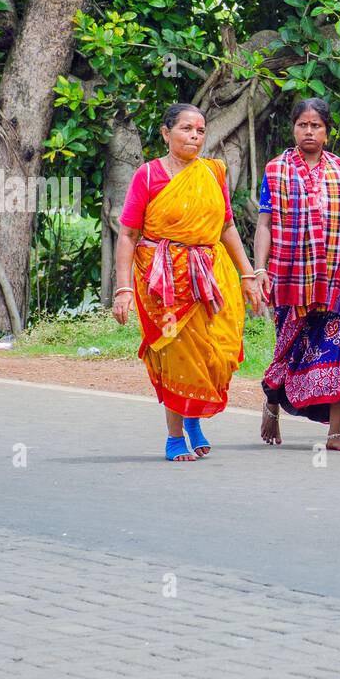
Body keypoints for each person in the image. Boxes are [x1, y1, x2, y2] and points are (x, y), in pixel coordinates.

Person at [112, 102, 260, 462]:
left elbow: (226, 226)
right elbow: (128, 234)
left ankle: (194, 417)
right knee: (175, 356)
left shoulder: (212, 174)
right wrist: (123, 288)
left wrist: (248, 274)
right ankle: (175, 436)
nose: (194, 136)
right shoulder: (148, 176)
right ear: (166, 133)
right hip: (161, 281)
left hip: (210, 275)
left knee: (216, 354)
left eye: (200, 130)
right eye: (185, 129)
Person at [253, 98, 340, 452]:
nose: (309, 131)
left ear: (327, 133)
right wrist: (260, 269)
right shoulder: (275, 170)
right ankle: (272, 401)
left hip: (339, 278)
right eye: (303, 125)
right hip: (290, 278)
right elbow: (265, 225)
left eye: (316, 126)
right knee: (290, 349)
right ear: (293, 129)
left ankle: (334, 433)